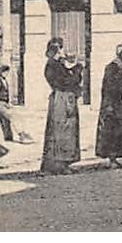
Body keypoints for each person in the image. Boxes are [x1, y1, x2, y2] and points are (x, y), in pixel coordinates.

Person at [40, 37, 83, 175]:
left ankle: (60, 163)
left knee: (62, 130)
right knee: (63, 130)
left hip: (61, 98)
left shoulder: (56, 64)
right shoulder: (54, 65)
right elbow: (66, 81)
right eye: (62, 48)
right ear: (58, 49)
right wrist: (77, 69)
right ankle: (61, 164)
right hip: (62, 98)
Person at [0, 64, 33, 143]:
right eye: (5, 72)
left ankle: (8, 136)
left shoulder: (4, 80)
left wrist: (8, 103)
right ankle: (21, 135)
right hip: (0, 103)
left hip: (5, 103)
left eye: (7, 73)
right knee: (13, 116)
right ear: (1, 72)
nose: (6, 74)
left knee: (7, 119)